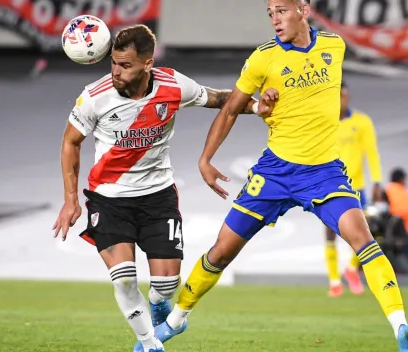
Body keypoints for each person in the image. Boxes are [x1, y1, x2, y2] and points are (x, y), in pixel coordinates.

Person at [135, 1, 408, 351]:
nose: (275, 19)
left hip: (324, 173)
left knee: (364, 240)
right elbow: (231, 108)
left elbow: (304, 96)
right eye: (270, 13)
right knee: (222, 252)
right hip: (275, 172)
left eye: (282, 11)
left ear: (303, 10)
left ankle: (400, 329)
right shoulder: (263, 59)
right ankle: (175, 321)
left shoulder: (334, 46)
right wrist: (206, 158)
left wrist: (277, 101)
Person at [52, 24, 272, 352]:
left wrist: (256, 107)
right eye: (113, 62)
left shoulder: (172, 85)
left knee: (166, 285)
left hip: (158, 197)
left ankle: (158, 305)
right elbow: (71, 142)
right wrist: (71, 200)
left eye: (125, 65)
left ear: (147, 64)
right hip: (109, 199)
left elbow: (220, 99)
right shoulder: (94, 97)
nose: (116, 71)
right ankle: (150, 344)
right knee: (124, 279)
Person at [325, 80, 383, 297]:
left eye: (344, 96)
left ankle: (351, 269)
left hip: (356, 187)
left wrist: (377, 181)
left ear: (348, 97)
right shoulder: (324, 122)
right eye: (337, 96)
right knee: (329, 232)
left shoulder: (362, 122)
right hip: (329, 186)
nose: (341, 100)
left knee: (367, 230)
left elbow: (372, 152)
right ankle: (334, 281)